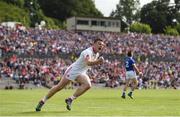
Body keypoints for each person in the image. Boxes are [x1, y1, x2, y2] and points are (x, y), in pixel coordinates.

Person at [35, 38, 105, 111]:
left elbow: (88, 65)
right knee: (59, 87)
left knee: (88, 85)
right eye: (99, 44)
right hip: (73, 71)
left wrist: (96, 66)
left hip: (81, 72)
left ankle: (70, 99)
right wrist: (98, 61)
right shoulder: (87, 52)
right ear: (93, 44)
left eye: (102, 45)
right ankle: (43, 100)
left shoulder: (97, 54)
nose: (101, 46)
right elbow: (88, 62)